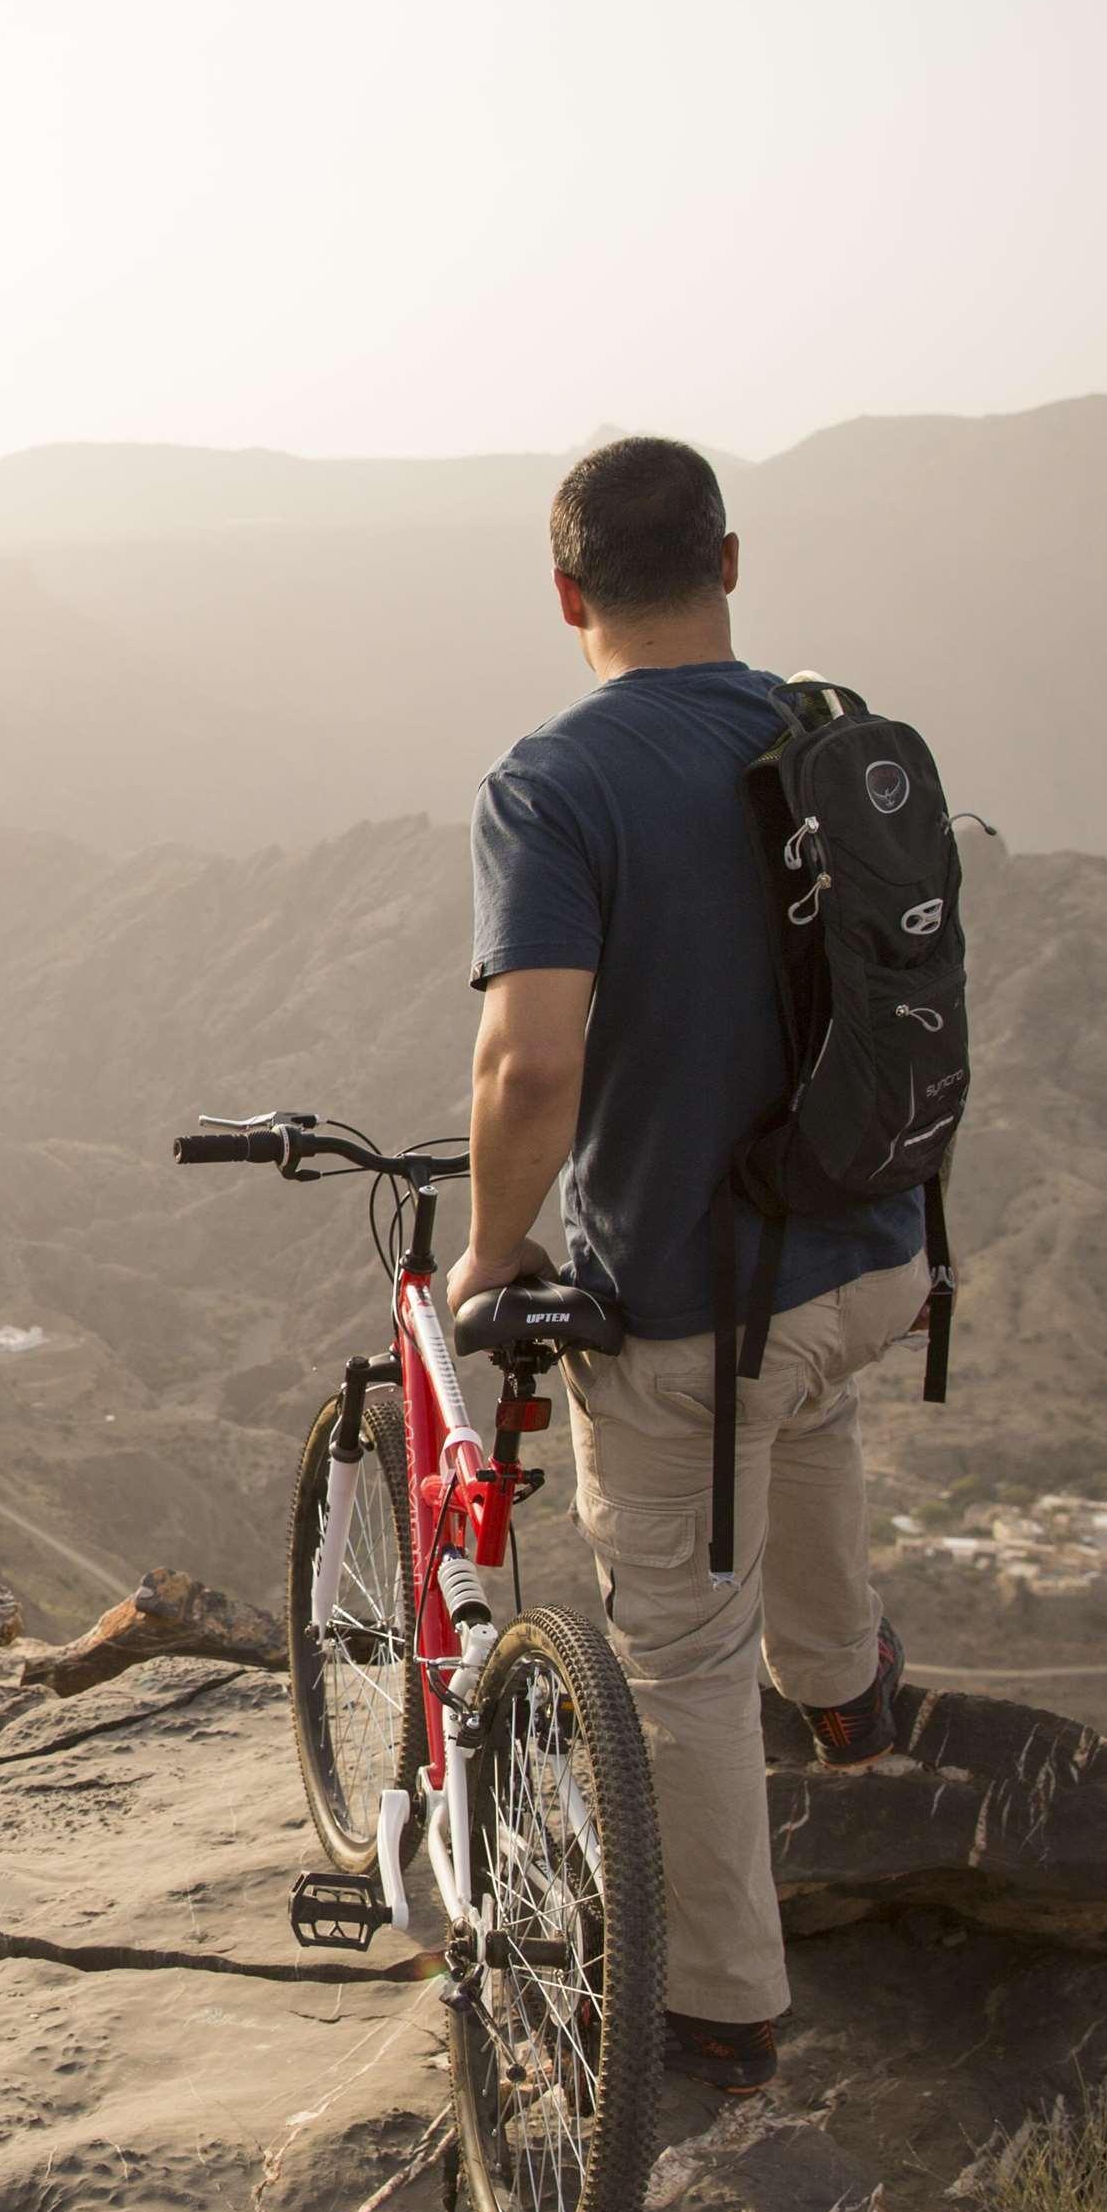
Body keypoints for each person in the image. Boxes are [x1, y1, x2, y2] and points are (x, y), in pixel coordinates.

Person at [441, 435, 931, 2097]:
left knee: (679, 1656)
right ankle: (850, 1692)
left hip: (696, 1307)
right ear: (734, 558)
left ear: (566, 593)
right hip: (875, 1256)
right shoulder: (819, 734)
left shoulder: (554, 782)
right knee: (803, 1420)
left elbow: (529, 1066)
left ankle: (717, 2006)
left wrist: (489, 1258)